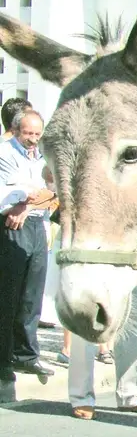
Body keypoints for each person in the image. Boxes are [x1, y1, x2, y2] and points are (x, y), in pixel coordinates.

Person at [0, 110, 57, 388]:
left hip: (36, 225)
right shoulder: (5, 154)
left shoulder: (44, 157)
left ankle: (26, 354)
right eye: (28, 134)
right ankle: (3, 360)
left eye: (37, 134)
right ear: (16, 130)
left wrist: (28, 202)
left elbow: (52, 193)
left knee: (32, 296)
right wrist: (24, 198)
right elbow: (7, 192)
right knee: (8, 296)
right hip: (11, 226)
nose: (33, 140)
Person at [69, 271, 137, 419]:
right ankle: (81, 397)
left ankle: (132, 396)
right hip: (98, 253)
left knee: (136, 321)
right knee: (87, 316)